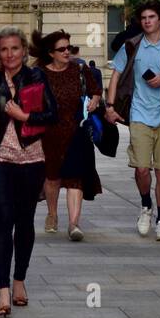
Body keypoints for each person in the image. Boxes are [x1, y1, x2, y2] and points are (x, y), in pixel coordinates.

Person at [105, 0, 160, 242]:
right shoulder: (131, 46)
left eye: (152, 17)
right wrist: (110, 107)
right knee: (142, 169)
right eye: (144, 17)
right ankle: (146, 205)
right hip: (138, 115)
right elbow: (115, 76)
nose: (147, 21)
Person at [0, 28, 57, 318]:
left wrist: (25, 116)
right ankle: (2, 291)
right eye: (4, 50)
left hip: (31, 158)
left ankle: (19, 280)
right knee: (4, 219)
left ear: (24, 51)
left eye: (15, 49)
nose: (10, 55)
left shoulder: (36, 77)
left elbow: (53, 114)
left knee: (24, 221)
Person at [32, 30, 102, 241]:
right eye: (62, 49)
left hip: (76, 130)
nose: (67, 52)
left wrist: (95, 100)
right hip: (49, 132)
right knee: (52, 178)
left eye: (69, 48)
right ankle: (52, 214)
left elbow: (96, 90)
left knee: (75, 179)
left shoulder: (79, 69)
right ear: (51, 53)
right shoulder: (39, 73)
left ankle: (74, 224)